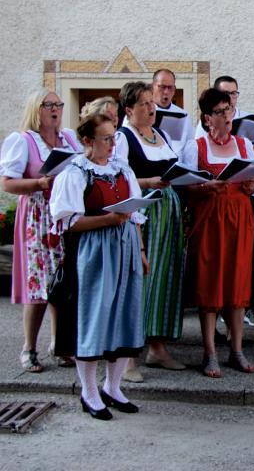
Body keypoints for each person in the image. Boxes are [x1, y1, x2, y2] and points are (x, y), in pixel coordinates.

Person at [50, 113, 148, 420]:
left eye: (113, 137)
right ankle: (89, 392)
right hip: (93, 252)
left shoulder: (122, 168)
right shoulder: (75, 172)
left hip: (125, 248)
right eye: (105, 138)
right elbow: (68, 221)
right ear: (87, 141)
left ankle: (113, 387)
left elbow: (134, 212)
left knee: (124, 316)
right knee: (93, 319)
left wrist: (141, 250)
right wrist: (107, 219)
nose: (112, 143)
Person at [0, 89, 80, 372]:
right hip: (37, 217)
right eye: (49, 105)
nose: (55, 109)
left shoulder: (68, 138)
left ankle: (59, 344)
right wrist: (39, 184)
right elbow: (8, 183)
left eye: (58, 104)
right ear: (37, 109)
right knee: (38, 284)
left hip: (62, 216)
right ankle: (29, 347)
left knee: (61, 282)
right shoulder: (22, 141)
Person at [183, 88, 254, 378]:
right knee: (210, 282)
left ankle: (237, 349)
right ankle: (210, 352)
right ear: (206, 117)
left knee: (237, 282)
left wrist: (251, 186)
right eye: (219, 111)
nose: (226, 116)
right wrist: (203, 187)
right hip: (210, 220)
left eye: (228, 109)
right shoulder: (196, 147)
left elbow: (251, 181)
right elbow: (185, 185)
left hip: (239, 219)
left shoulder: (243, 145)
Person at [115, 82, 186, 372]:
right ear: (129, 109)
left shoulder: (161, 135)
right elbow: (118, 179)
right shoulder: (123, 137)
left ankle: (157, 347)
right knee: (140, 278)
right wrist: (147, 183)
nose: (151, 108)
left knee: (165, 278)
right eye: (144, 103)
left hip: (168, 212)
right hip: (143, 214)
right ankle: (128, 357)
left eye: (151, 103)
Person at [194, 75, 254, 157]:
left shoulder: (250, 120)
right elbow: (199, 151)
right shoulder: (207, 121)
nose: (230, 98)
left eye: (233, 93)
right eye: (225, 93)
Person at [152, 68, 194, 158]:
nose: (166, 92)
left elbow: (190, 146)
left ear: (174, 90)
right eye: (162, 87)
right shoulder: (141, 112)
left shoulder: (183, 116)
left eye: (170, 87)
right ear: (153, 87)